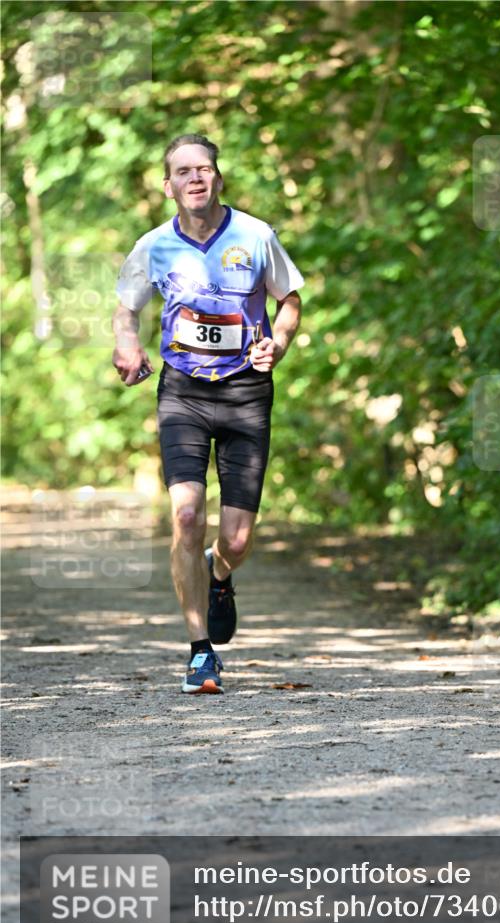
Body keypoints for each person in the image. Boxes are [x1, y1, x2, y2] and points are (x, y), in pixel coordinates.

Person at [112, 133, 303, 694]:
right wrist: (127, 344)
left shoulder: (255, 235)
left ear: (218, 179)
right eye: (184, 171)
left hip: (246, 392)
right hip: (183, 393)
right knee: (188, 516)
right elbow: (126, 310)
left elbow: (288, 298)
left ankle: (220, 575)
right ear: (167, 185)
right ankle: (200, 653)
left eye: (205, 169)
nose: (196, 178)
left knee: (237, 540)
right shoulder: (153, 246)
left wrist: (281, 343)